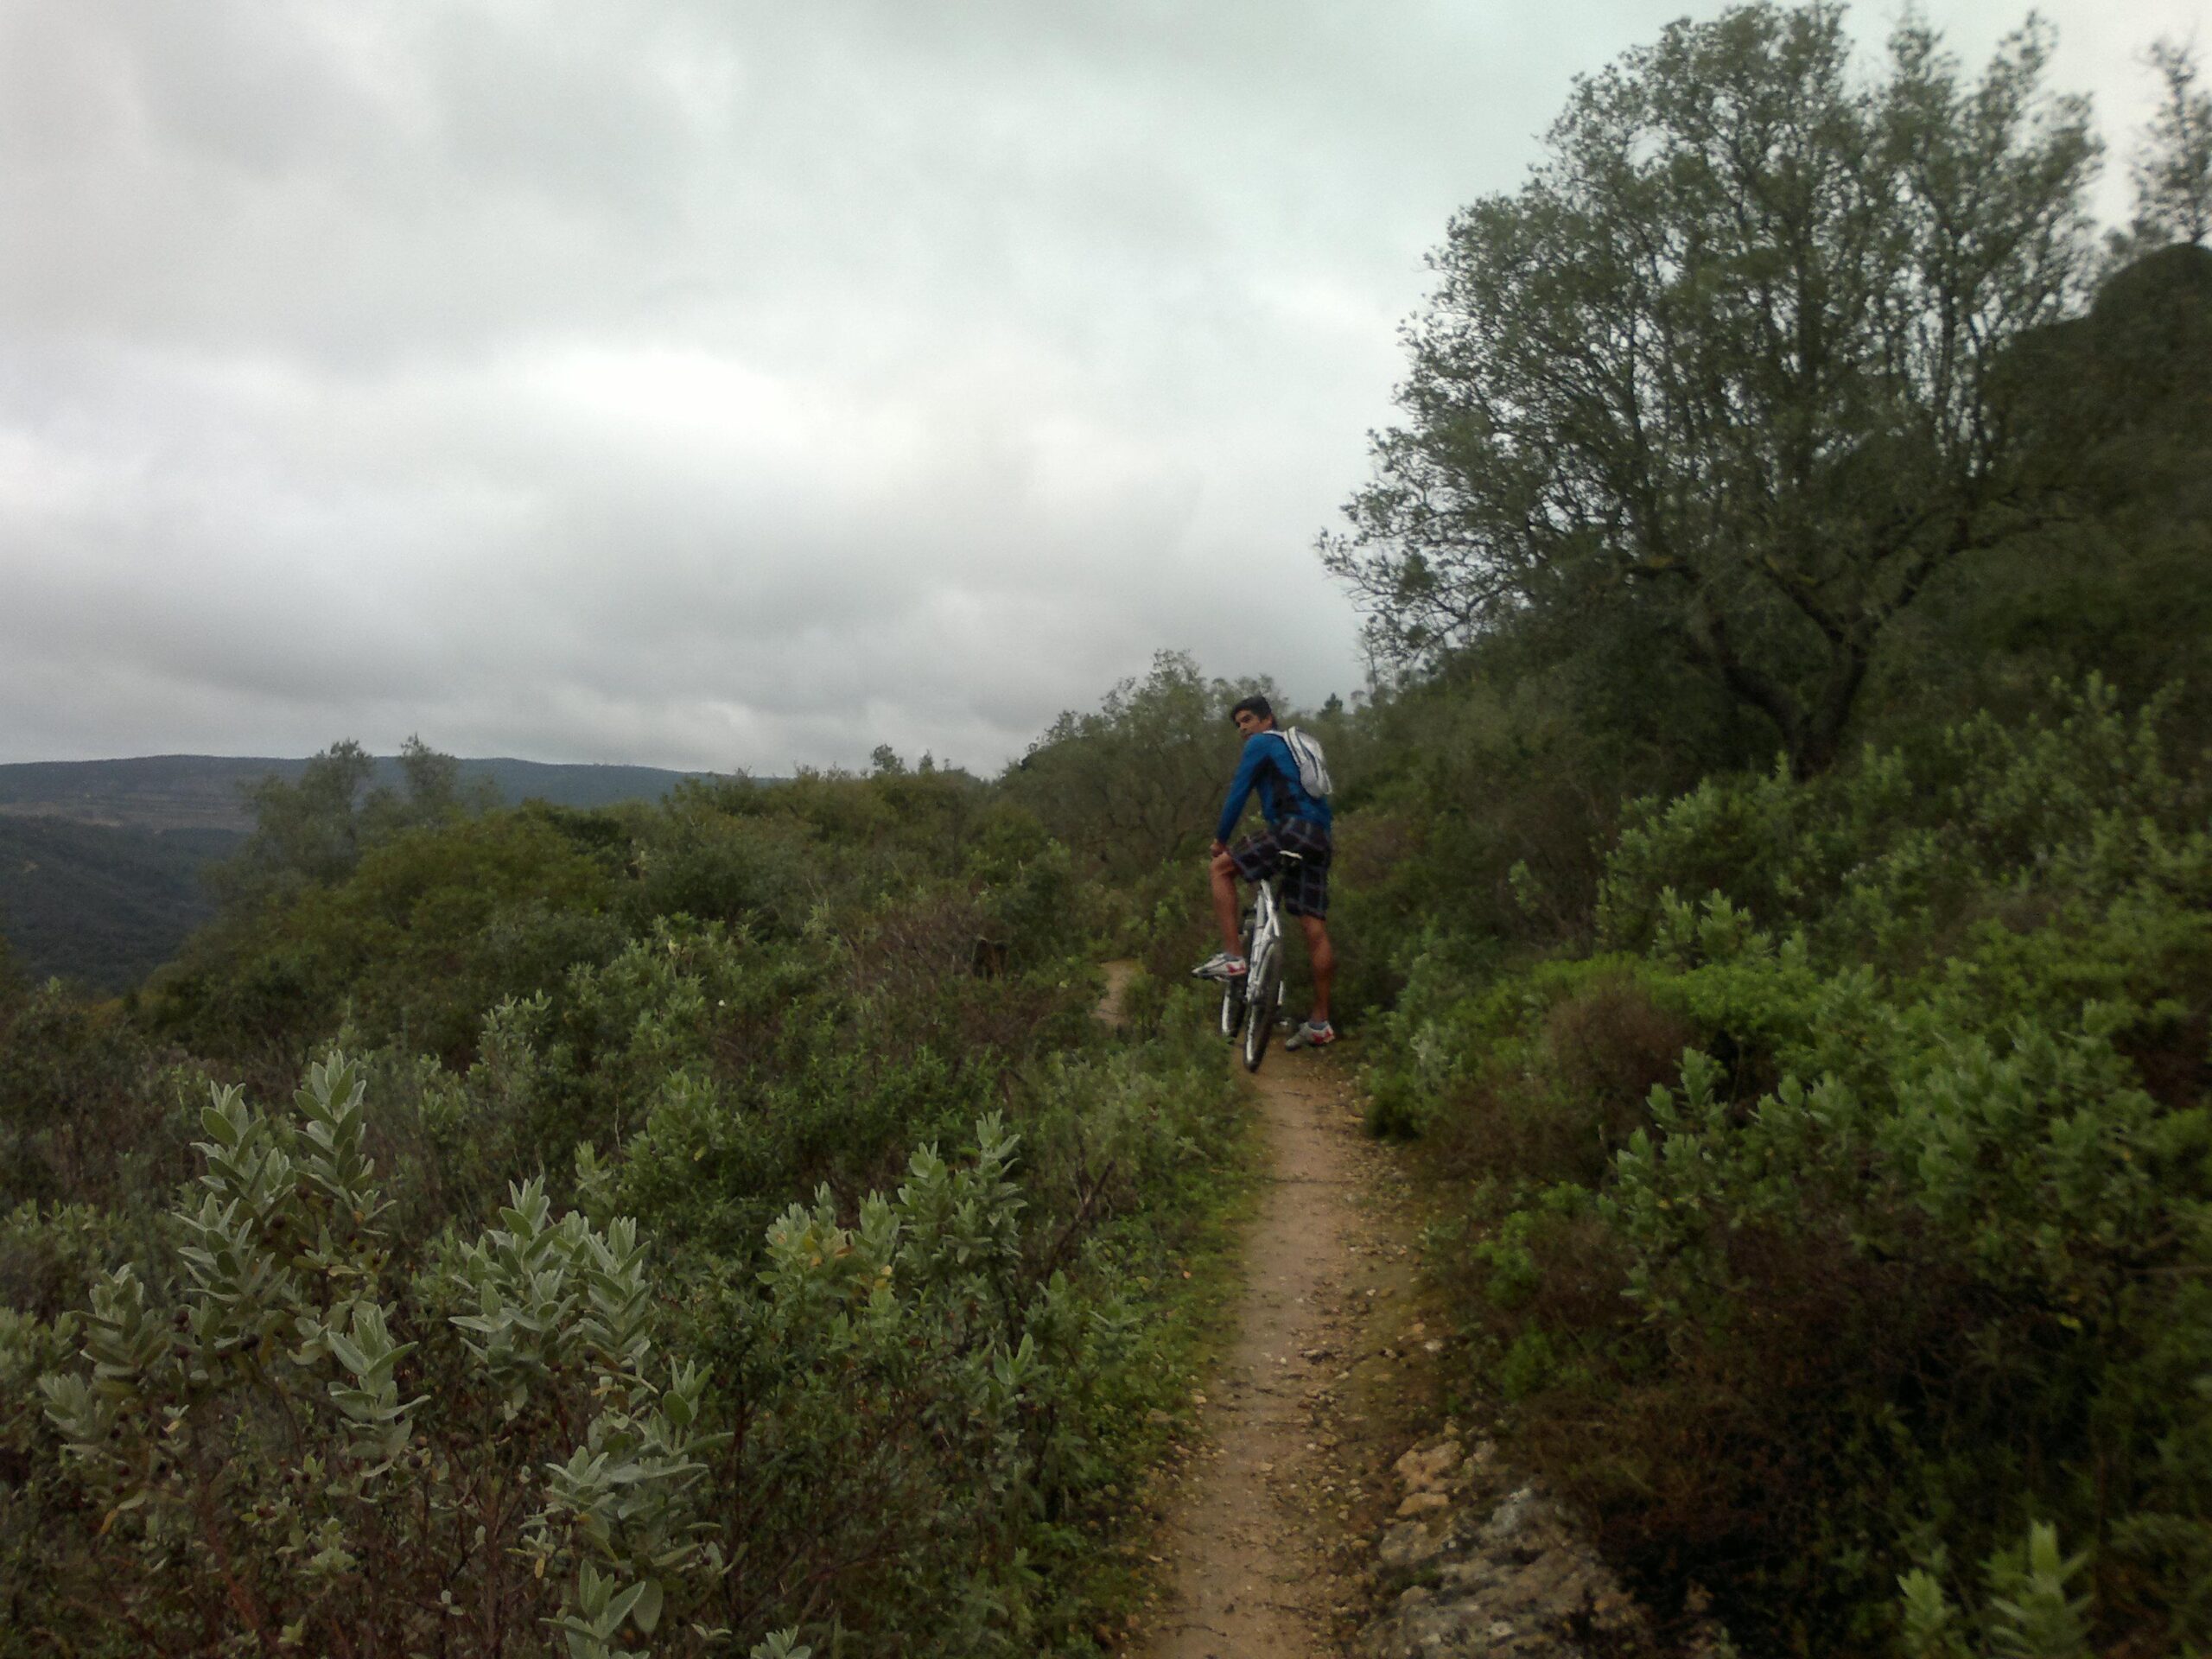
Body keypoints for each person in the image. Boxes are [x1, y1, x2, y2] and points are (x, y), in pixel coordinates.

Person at [1191, 695, 1336, 1048]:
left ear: (1267, 719)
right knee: (1313, 928)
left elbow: (1238, 791)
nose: (1243, 728)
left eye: (1247, 720)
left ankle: (1233, 957)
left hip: (1291, 829)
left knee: (1220, 870)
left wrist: (1220, 840)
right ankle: (1320, 1022)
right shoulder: (1292, 746)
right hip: (1320, 836)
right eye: (1238, 724)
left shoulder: (1263, 743)